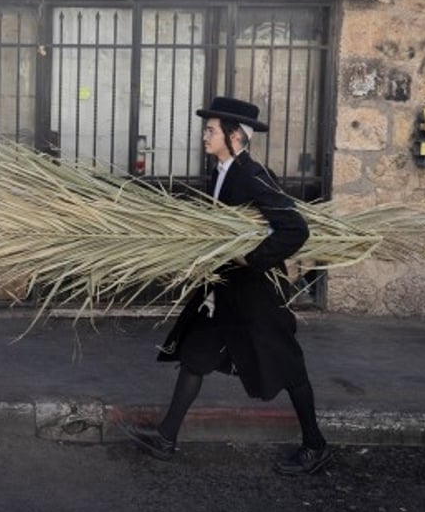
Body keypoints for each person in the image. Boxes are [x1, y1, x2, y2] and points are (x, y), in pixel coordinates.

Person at [122, 96, 331, 476]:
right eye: (206, 129)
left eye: (211, 130)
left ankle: (315, 445)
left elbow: (295, 229)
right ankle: (166, 439)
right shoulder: (220, 172)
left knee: (289, 368)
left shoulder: (252, 175)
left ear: (234, 136)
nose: (205, 135)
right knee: (195, 356)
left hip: (257, 297)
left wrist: (251, 260)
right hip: (224, 294)